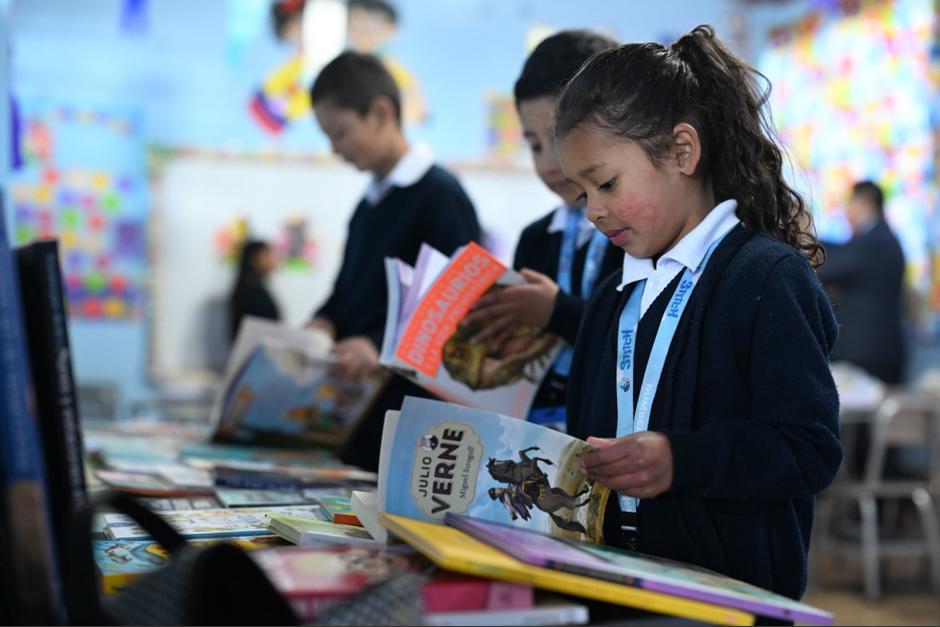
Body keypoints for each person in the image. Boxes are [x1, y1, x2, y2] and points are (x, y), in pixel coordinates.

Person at [555, 26, 843, 602]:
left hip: (728, 598)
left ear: (683, 151)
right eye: (584, 194)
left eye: (606, 183)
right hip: (610, 586)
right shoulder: (613, 298)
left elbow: (809, 449)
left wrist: (680, 459)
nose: (595, 211)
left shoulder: (766, 278)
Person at [308, 51, 480, 470]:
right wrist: (322, 322)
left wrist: (379, 346)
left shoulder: (440, 196)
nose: (335, 149)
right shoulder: (367, 206)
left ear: (381, 113)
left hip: (412, 417)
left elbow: (456, 307)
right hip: (356, 410)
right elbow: (347, 292)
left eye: (340, 133)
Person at [463, 30, 621, 431]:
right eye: (534, 145)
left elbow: (636, 338)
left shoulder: (635, 230)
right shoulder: (536, 239)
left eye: (557, 139)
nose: (549, 163)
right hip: (536, 433)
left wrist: (558, 312)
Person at [818, 180, 906, 384]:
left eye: (849, 203)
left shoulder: (874, 241)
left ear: (863, 203)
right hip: (878, 352)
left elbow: (828, 269)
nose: (846, 212)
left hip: (867, 354)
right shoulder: (883, 238)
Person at [228, 239, 280, 342]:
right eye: (267, 255)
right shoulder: (249, 292)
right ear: (253, 259)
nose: (272, 259)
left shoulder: (258, 288)